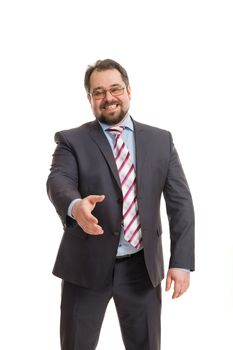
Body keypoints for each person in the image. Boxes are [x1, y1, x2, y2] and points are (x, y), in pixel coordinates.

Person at [46, 58, 195, 350]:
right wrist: (76, 206)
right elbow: (58, 181)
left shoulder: (160, 141)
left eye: (115, 88)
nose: (108, 98)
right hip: (85, 268)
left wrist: (181, 262)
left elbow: (180, 203)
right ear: (89, 98)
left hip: (142, 268)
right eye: (98, 92)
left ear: (128, 90)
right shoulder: (71, 141)